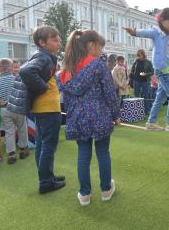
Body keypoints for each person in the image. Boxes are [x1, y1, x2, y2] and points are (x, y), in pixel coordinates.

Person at [58, 29, 120, 206]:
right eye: (100, 46)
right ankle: (106, 190)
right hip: (99, 116)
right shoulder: (98, 65)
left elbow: (67, 98)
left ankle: (84, 194)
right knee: (103, 153)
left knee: (83, 155)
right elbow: (110, 93)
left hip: (77, 119)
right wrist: (116, 115)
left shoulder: (66, 70)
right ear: (91, 45)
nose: (101, 51)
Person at [123, 8, 169, 131]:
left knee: (160, 97)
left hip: (168, 71)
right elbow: (147, 32)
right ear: (163, 20)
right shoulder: (157, 32)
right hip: (162, 70)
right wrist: (134, 32)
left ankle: (151, 122)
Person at [19, 26, 65, 194]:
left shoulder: (44, 56)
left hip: (42, 108)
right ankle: (46, 182)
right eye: (54, 40)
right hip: (48, 108)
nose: (59, 42)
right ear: (42, 43)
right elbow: (26, 71)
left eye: (59, 39)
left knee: (41, 144)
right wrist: (43, 88)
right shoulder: (43, 57)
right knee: (48, 146)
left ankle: (47, 177)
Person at [129, 49, 153, 114]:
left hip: (145, 81)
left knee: (146, 95)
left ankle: (147, 110)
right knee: (136, 95)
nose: (138, 56)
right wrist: (131, 76)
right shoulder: (136, 61)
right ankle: (136, 110)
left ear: (143, 55)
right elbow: (132, 70)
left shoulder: (148, 62)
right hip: (136, 80)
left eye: (139, 55)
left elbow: (152, 72)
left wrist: (145, 74)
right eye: (138, 55)